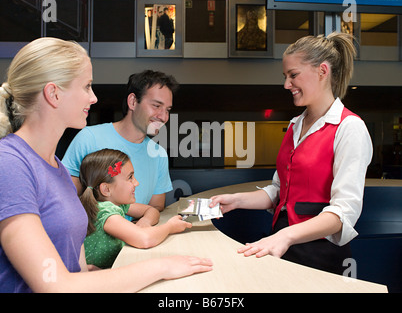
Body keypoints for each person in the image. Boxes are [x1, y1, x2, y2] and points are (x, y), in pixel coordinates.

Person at [0, 37, 212, 293]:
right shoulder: (10, 163)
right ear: (53, 93)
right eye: (87, 86)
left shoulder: (54, 165)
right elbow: (55, 285)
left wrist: (89, 272)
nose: (94, 97)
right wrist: (161, 267)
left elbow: (72, 264)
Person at [210, 32, 373, 275]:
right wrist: (237, 200)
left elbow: (343, 213)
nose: (287, 85)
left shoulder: (350, 128)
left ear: (322, 71)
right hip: (283, 241)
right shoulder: (296, 124)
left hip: (320, 254)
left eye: (293, 75)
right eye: (285, 77)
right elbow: (280, 192)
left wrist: (286, 236)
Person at [62, 69, 178, 220]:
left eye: (167, 110)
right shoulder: (89, 138)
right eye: (156, 106)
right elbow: (66, 197)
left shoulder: (159, 154)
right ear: (133, 102)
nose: (163, 117)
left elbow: (157, 206)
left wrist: (136, 230)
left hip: (138, 239)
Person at [79, 148, 192, 269]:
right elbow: (145, 239)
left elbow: (151, 210)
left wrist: (145, 221)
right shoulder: (104, 211)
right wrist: (170, 227)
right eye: (130, 177)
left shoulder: (117, 204)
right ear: (106, 189)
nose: (136, 183)